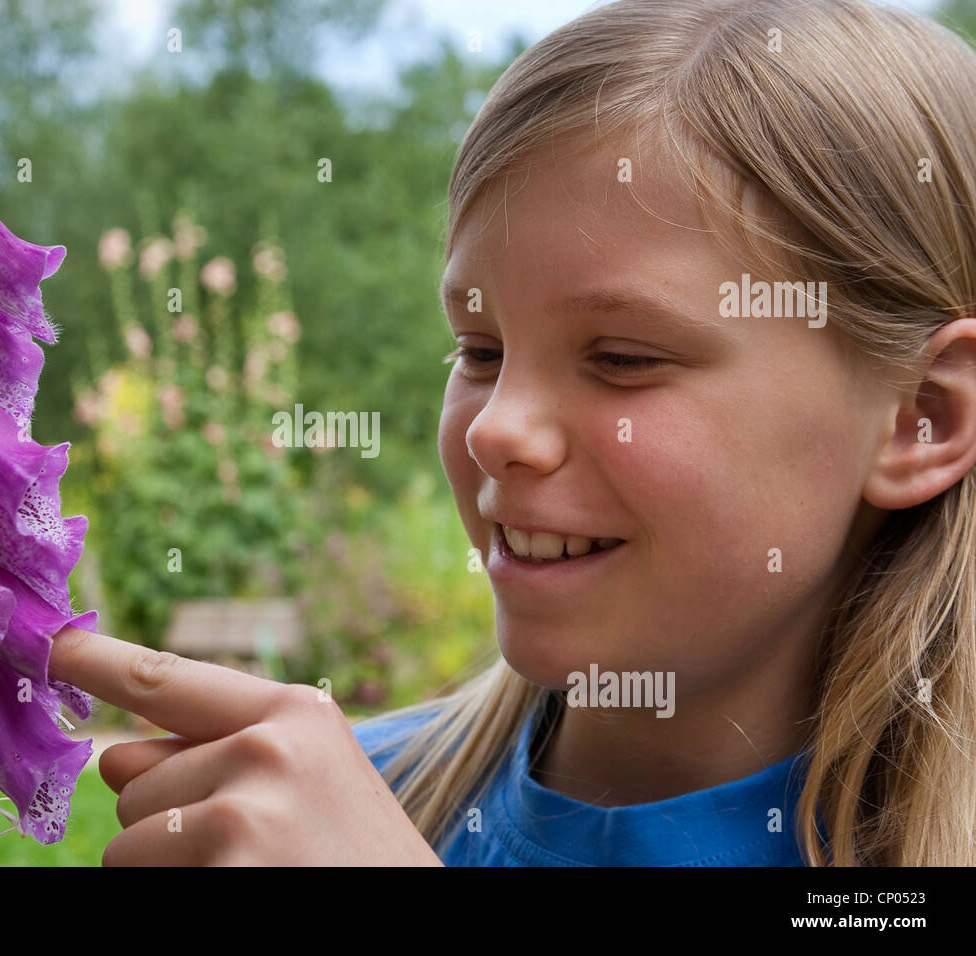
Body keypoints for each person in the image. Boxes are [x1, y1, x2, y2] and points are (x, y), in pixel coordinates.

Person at [49, 0, 976, 866]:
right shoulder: (313, 818)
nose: (497, 429)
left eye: (621, 357)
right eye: (480, 349)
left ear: (923, 418)